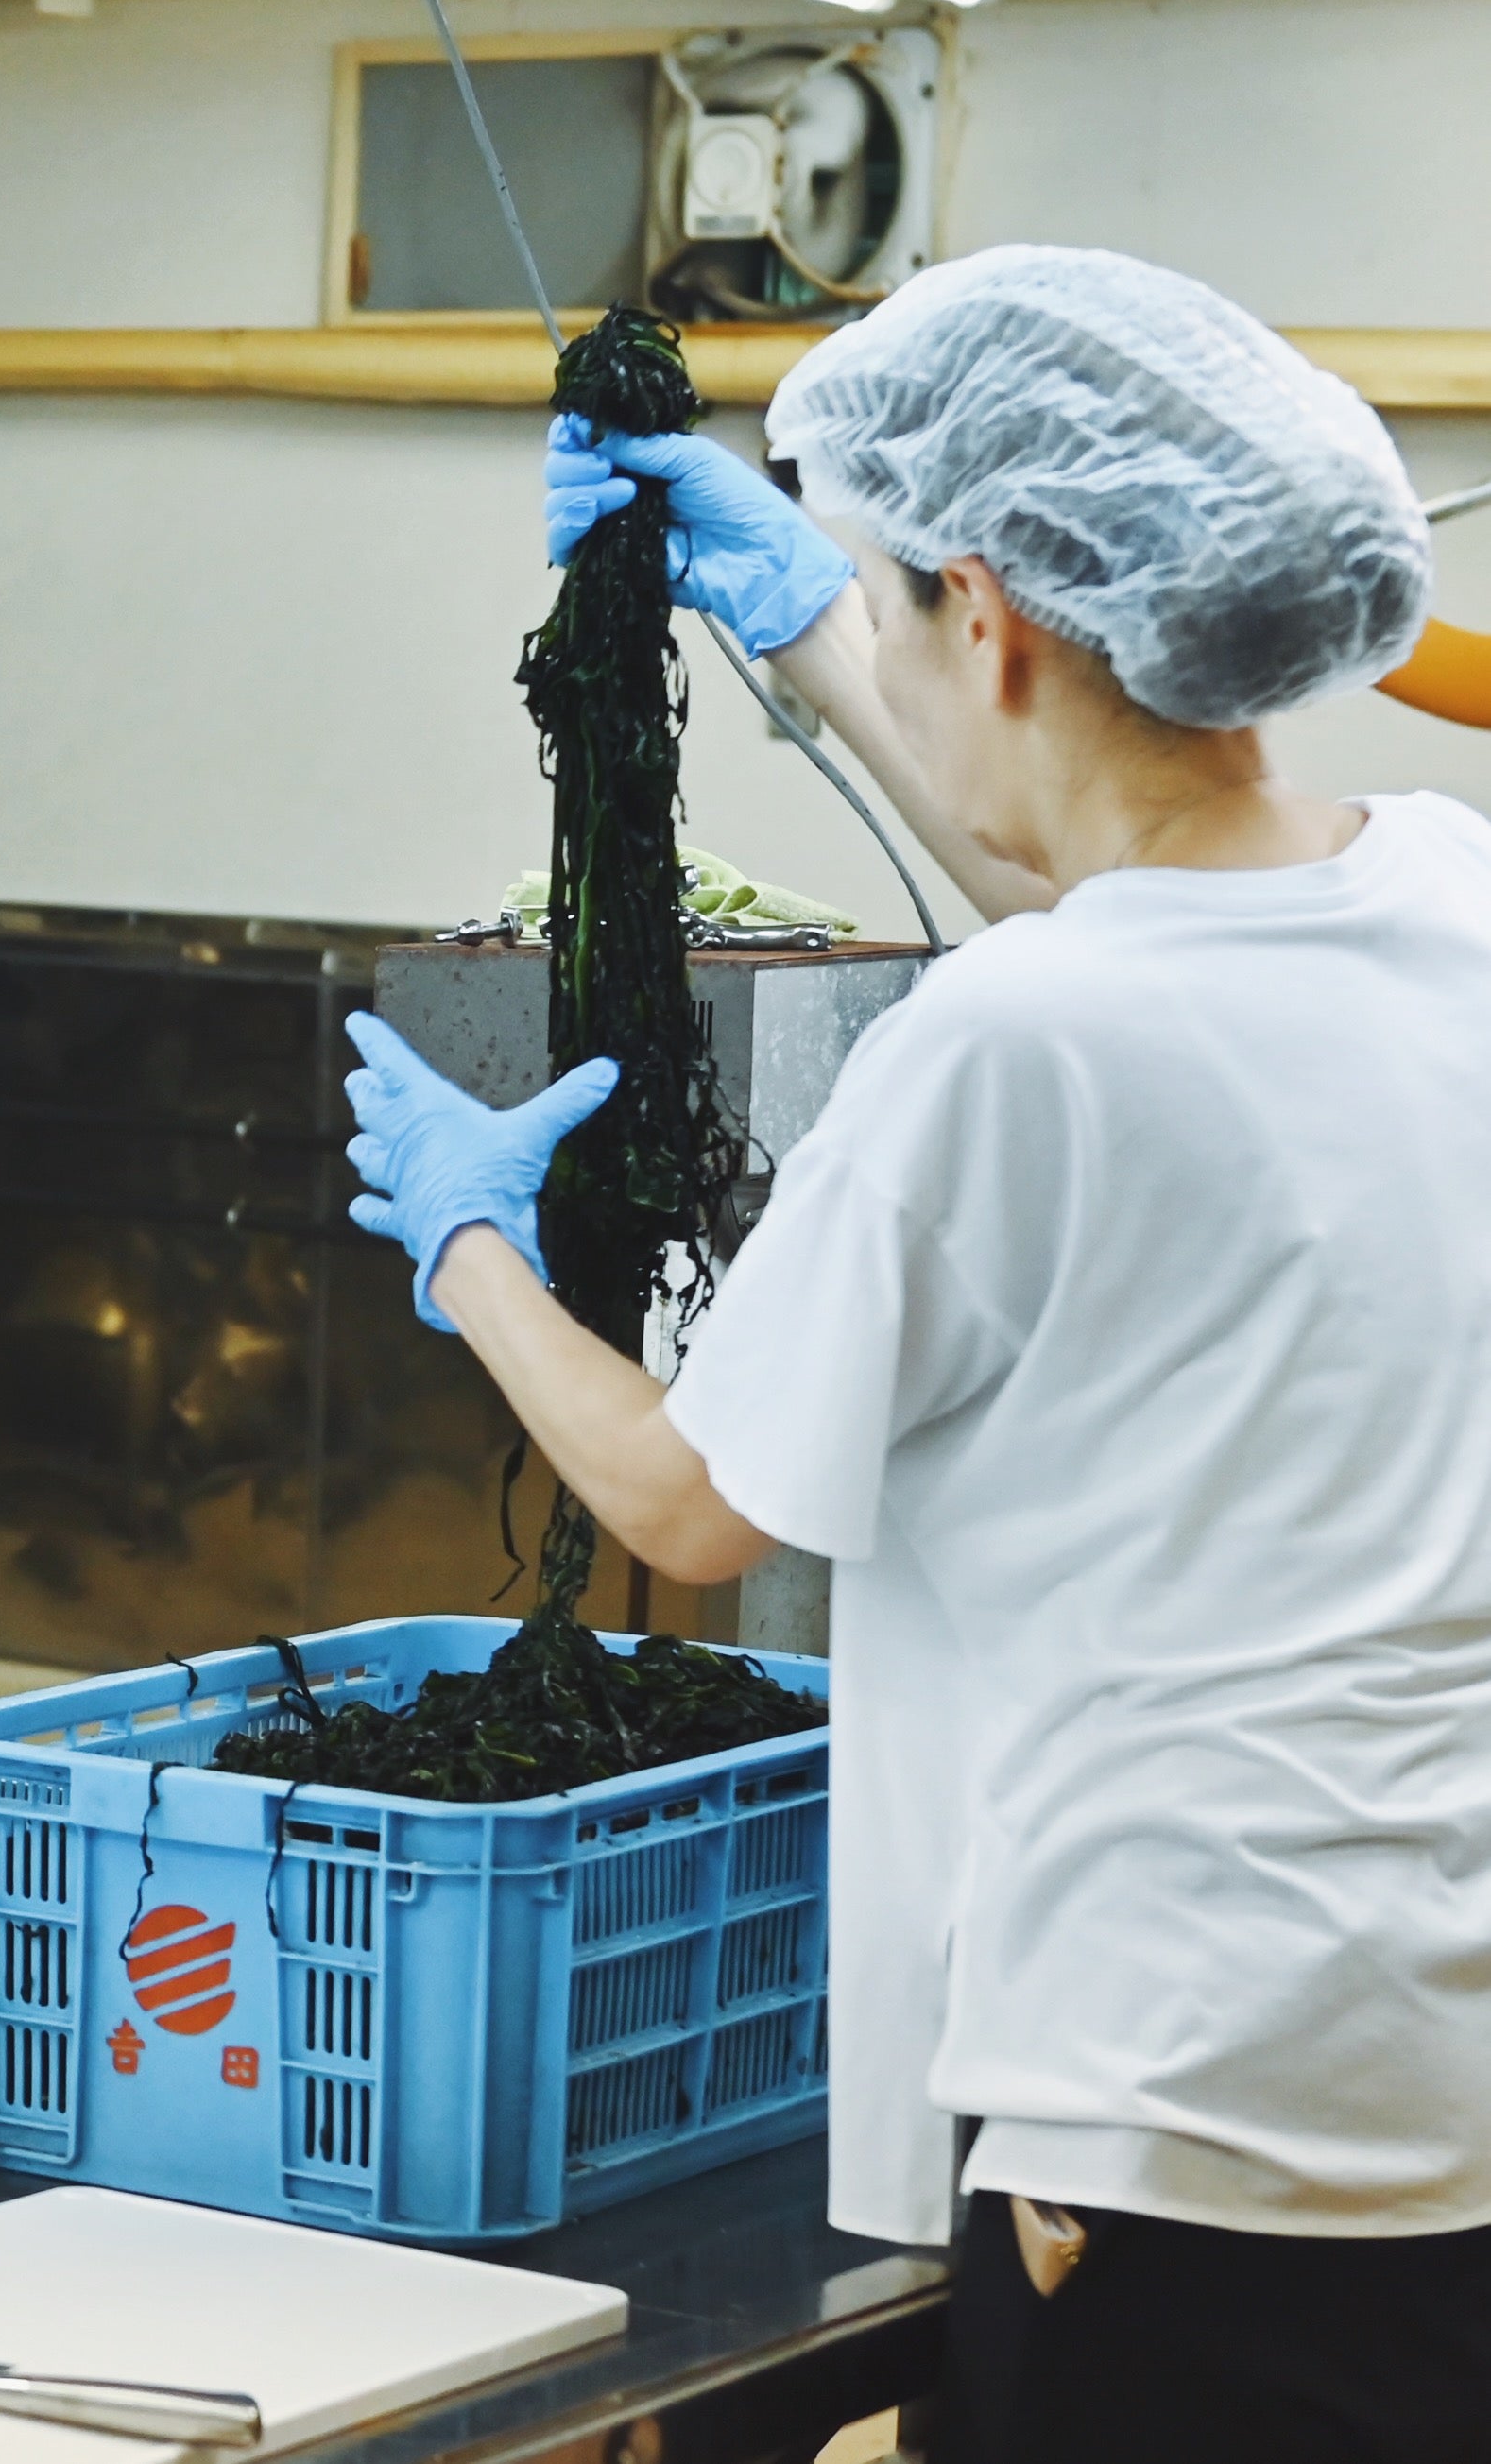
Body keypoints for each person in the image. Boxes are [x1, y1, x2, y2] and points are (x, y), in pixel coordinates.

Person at [345, 247, 1491, 2459]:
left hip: (1170, 2109)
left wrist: (473, 1247)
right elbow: (1155, 940)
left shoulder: (1002, 1038)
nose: (866, 632)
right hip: (1443, 2047)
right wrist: (801, 630)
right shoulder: (1457, 898)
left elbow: (685, 1494)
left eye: (882, 598)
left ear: (989, 616)